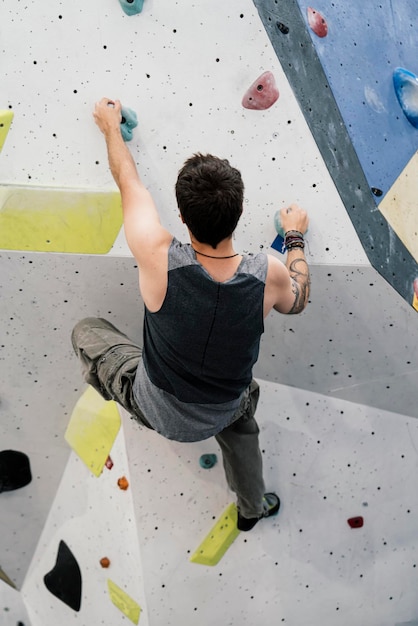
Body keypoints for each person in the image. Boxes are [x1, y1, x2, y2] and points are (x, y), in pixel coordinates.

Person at [72, 98, 310, 531]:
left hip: (155, 406)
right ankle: (251, 510)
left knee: (86, 331)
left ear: (181, 217)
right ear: (238, 215)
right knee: (242, 428)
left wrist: (110, 126)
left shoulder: (158, 257)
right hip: (224, 409)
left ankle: (111, 386)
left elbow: (129, 183)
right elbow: (297, 301)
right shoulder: (269, 276)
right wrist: (293, 234)